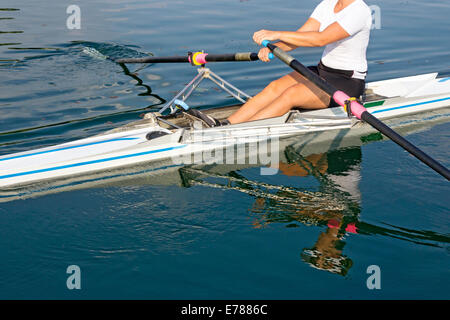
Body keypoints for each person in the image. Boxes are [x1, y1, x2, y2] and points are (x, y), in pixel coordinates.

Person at [227, 0, 372, 124]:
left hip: (347, 82)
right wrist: (275, 48)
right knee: (275, 87)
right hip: (322, 70)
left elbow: (321, 39)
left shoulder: (359, 11)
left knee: (291, 94)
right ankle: (226, 124)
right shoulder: (328, 4)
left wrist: (277, 33)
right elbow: (302, 35)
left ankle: (244, 132)